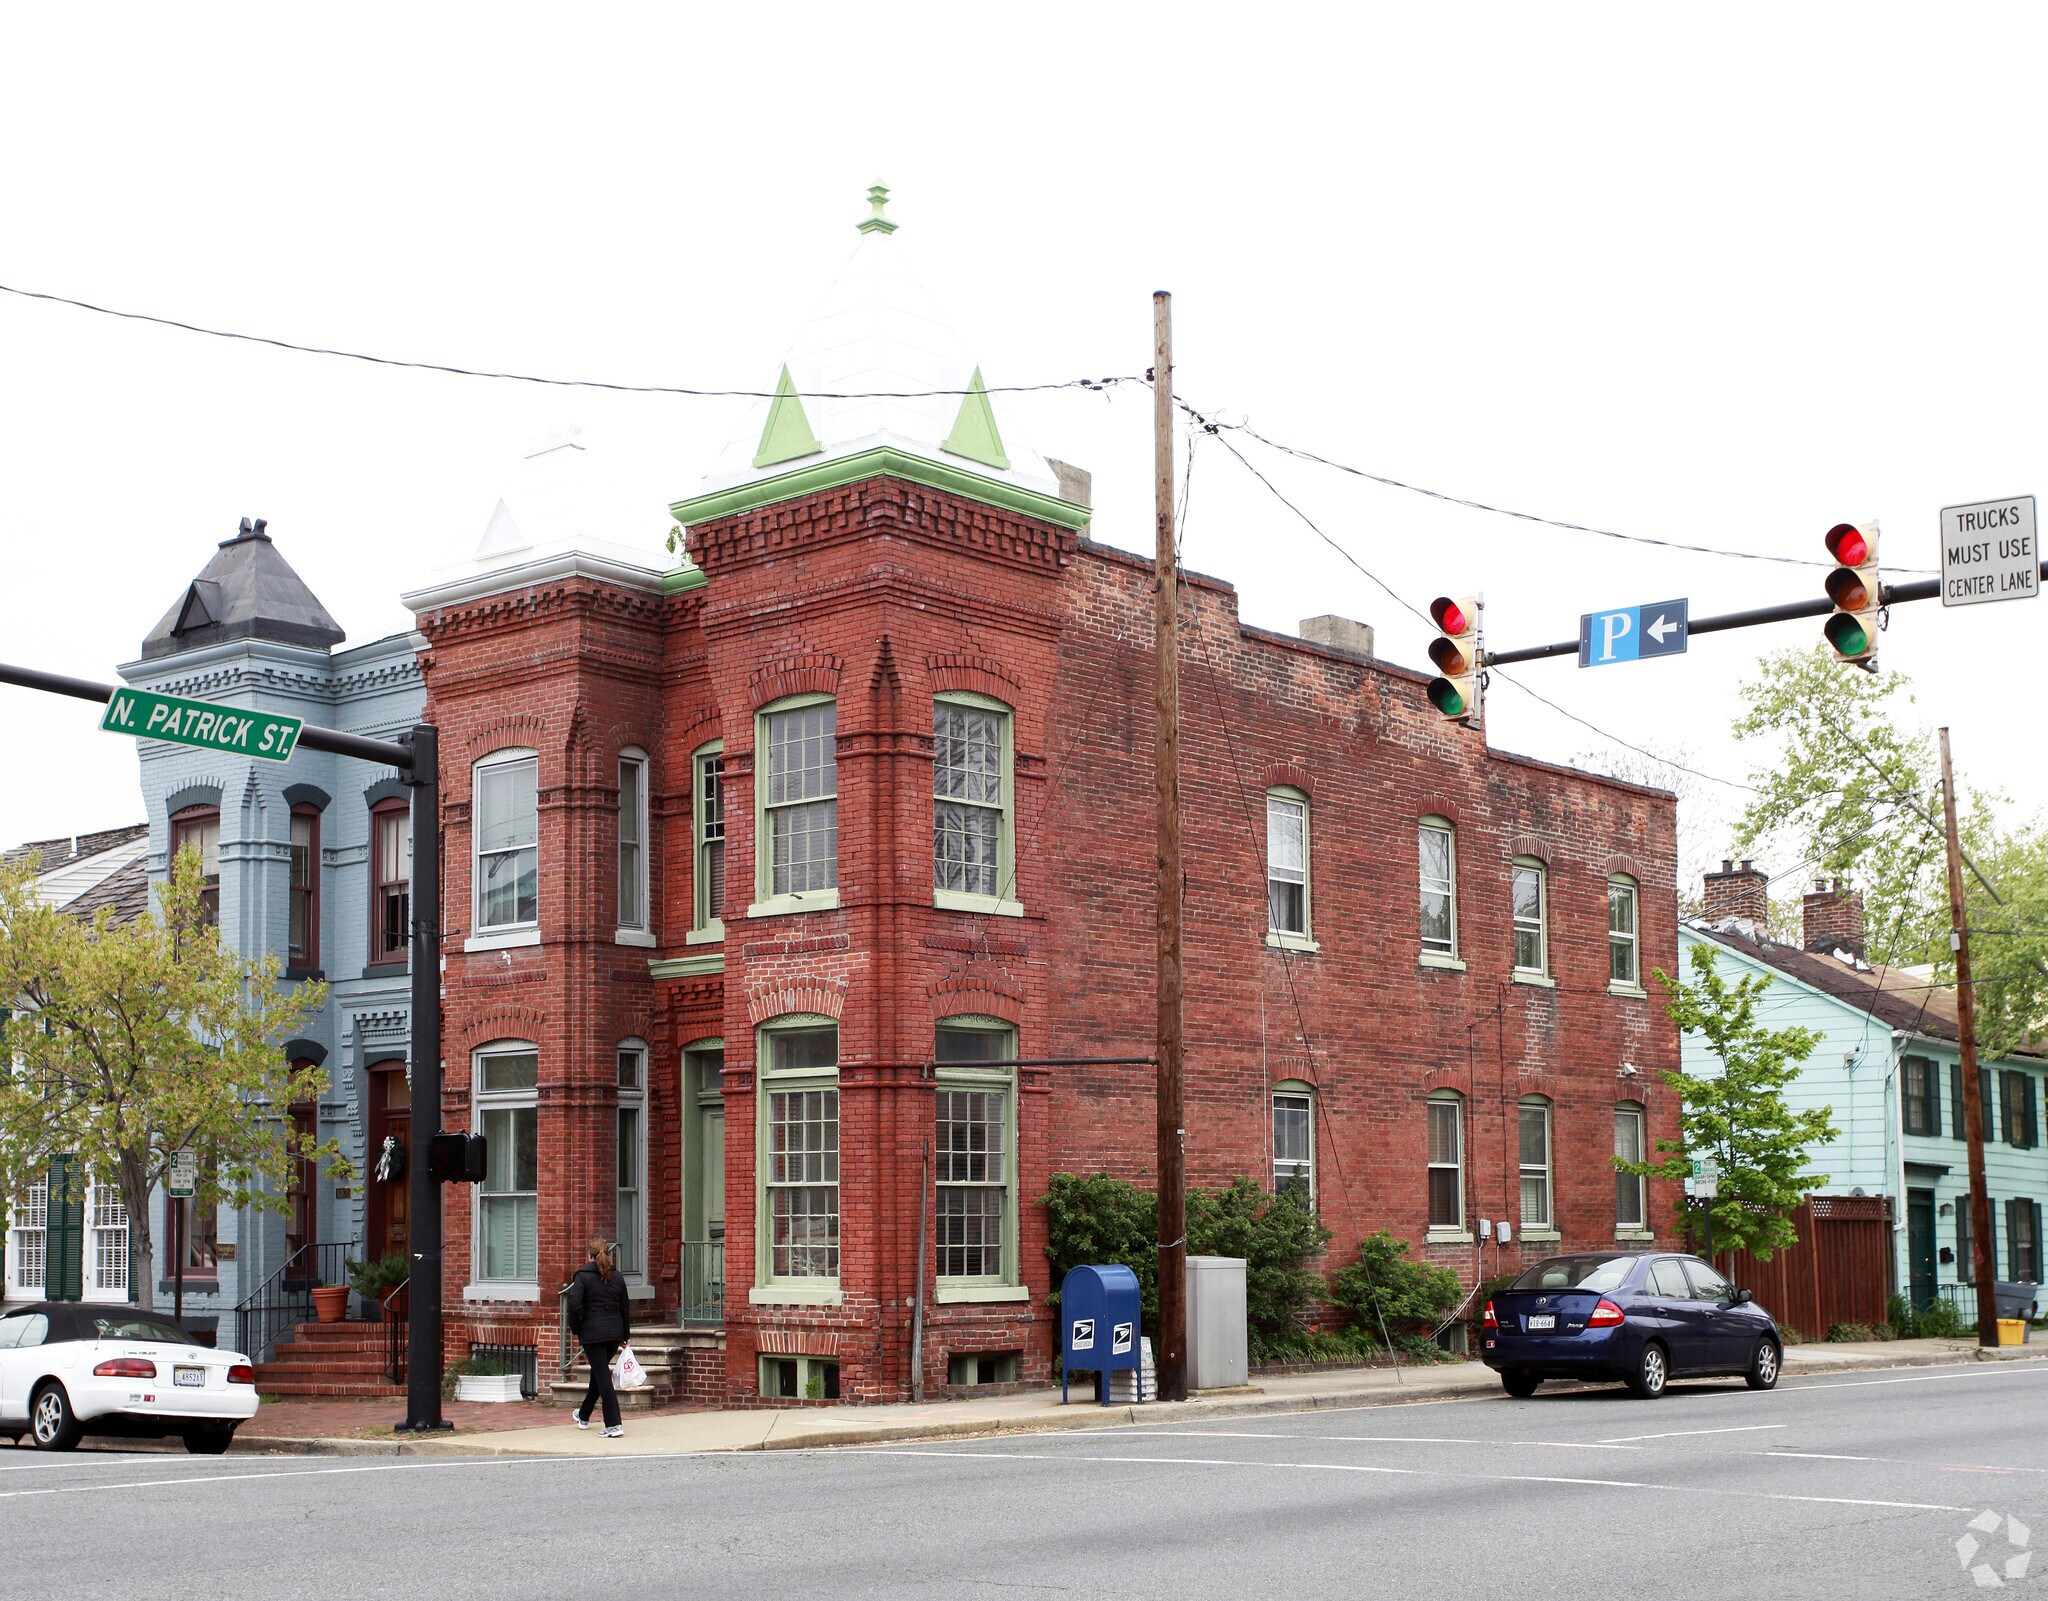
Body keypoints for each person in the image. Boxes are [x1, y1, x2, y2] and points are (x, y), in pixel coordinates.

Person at [567, 1238, 631, 1437]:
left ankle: (613, 1424)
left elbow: (575, 1307)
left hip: (593, 1334)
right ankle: (583, 1415)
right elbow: (625, 1308)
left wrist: (577, 1330)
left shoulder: (582, 1277)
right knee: (599, 1374)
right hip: (613, 1333)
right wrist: (625, 1335)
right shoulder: (618, 1277)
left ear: (590, 1256)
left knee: (603, 1378)